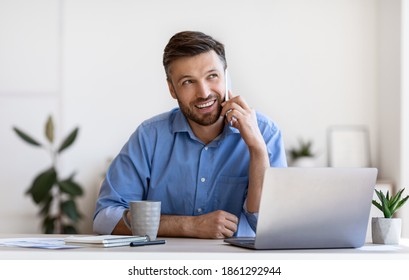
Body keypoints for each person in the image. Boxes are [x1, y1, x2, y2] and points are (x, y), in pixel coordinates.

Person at [93, 31, 287, 239]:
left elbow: (270, 227)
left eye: (212, 76)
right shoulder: (149, 137)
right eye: (188, 82)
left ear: (226, 76)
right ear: (172, 89)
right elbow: (105, 218)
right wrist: (188, 225)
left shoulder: (266, 133)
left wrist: (257, 150)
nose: (203, 92)